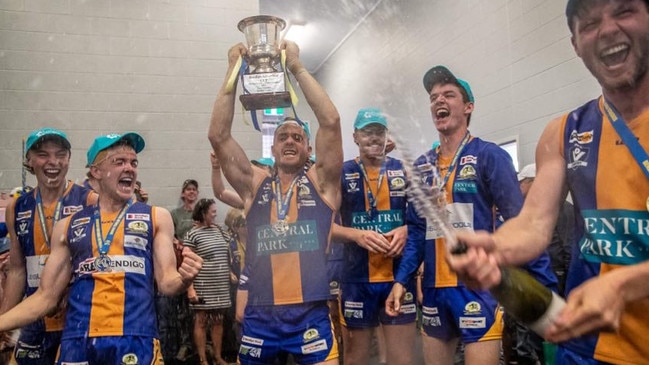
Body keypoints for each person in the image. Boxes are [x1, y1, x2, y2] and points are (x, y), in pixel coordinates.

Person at [447, 1, 649, 364]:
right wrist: (492, 248)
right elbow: (534, 223)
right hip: (587, 347)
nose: (606, 30)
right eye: (588, 24)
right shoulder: (565, 131)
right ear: (575, 44)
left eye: (623, 11)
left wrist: (623, 284)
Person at [0, 132, 203, 364]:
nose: (129, 168)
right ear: (96, 171)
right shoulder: (68, 225)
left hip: (136, 339)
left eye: (133, 162)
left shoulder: (156, 217)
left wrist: (185, 279)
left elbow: (167, 283)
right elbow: (46, 297)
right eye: (119, 162)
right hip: (79, 340)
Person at [208, 40, 343, 365]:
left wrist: (295, 65)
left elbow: (331, 122)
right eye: (283, 136)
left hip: (309, 312)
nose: (290, 141)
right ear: (273, 149)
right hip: (261, 314)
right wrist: (233, 70)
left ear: (309, 150)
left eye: (298, 137)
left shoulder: (321, 183)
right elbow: (219, 136)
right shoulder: (256, 186)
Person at [385, 66, 524, 365]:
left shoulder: (489, 155)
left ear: (468, 106)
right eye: (434, 97)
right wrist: (401, 281)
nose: (438, 101)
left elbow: (516, 220)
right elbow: (417, 232)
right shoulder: (423, 167)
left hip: (478, 289)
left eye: (448, 95)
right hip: (434, 291)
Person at [0, 127, 98, 365]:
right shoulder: (18, 206)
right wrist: (5, 318)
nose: (53, 162)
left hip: (76, 315)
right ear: (29, 161)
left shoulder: (89, 200)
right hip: (35, 315)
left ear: (69, 159)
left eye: (60, 154)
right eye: (43, 154)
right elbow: (17, 270)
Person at [333, 107, 415, 365]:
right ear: (355, 136)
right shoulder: (342, 173)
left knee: (401, 358)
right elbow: (325, 228)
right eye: (367, 132)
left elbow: (425, 221)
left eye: (379, 131)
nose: (374, 138)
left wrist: (407, 229)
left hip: (398, 278)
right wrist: (356, 235)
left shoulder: (403, 170)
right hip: (357, 279)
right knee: (356, 358)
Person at [184, 198, 232, 365]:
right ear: (203, 213)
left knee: (218, 320)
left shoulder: (220, 230)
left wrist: (230, 272)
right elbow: (187, 264)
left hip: (220, 285)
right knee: (202, 320)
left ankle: (218, 357)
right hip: (203, 286)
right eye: (212, 211)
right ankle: (203, 359)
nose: (215, 213)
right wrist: (190, 289)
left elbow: (227, 254)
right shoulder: (192, 234)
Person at [161, 178, 200, 363]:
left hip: (200, 265)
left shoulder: (201, 213)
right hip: (181, 264)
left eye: (194, 190)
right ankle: (184, 344)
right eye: (188, 190)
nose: (192, 192)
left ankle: (201, 345)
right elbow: (169, 237)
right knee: (182, 308)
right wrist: (181, 245)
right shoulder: (174, 214)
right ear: (183, 194)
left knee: (200, 308)